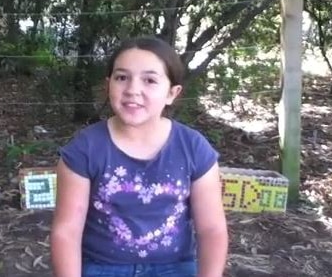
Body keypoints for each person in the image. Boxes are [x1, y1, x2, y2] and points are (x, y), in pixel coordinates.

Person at [50, 36, 228, 277]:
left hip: (174, 267)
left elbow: (212, 229)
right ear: (107, 86)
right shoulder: (85, 149)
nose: (133, 90)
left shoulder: (194, 148)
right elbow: (66, 232)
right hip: (102, 267)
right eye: (122, 77)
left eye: (150, 80)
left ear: (172, 93)